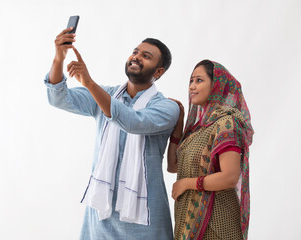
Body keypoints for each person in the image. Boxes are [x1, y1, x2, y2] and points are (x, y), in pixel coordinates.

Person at [44, 27, 180, 239]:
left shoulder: (167, 108)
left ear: (158, 72)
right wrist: (58, 59)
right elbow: (59, 98)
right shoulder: (105, 95)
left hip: (145, 219)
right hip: (101, 217)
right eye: (135, 52)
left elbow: (133, 122)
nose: (136, 57)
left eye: (146, 56)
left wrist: (89, 83)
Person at [167, 60, 254, 240]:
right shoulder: (196, 129)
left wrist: (186, 184)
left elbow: (229, 177)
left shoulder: (226, 123)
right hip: (188, 220)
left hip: (217, 223)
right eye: (191, 81)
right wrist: (178, 127)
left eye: (199, 80)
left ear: (216, 85)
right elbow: (173, 166)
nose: (192, 86)